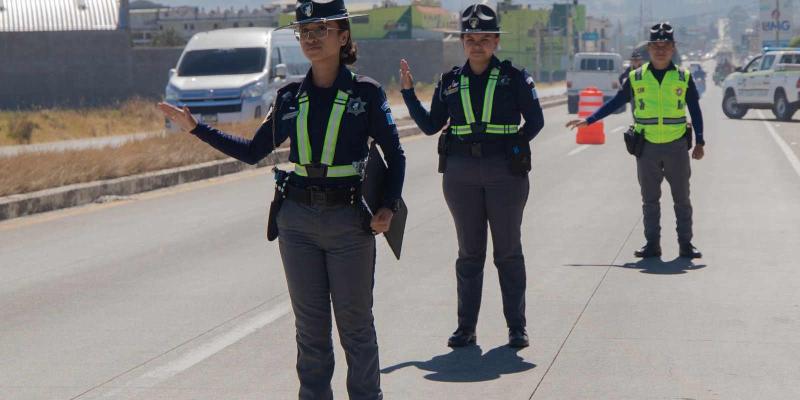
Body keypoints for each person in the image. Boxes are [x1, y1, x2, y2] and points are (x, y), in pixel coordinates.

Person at [158, 1, 405, 398]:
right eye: (303, 31)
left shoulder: (367, 93)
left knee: (355, 325)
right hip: (297, 223)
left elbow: (396, 155)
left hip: (349, 223)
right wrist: (197, 128)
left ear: (343, 37)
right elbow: (253, 151)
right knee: (310, 330)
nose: (310, 38)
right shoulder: (290, 96)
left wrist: (388, 206)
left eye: (320, 30)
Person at [399, 3, 544, 349]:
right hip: (460, 176)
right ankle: (466, 329)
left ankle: (517, 328)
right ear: (462, 41)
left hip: (505, 175)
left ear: (496, 42)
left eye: (484, 38)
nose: (476, 44)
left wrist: (514, 146)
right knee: (469, 254)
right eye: (470, 38)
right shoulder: (449, 82)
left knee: (508, 251)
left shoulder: (514, 78)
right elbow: (431, 125)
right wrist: (407, 92)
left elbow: (535, 121)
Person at [566, 22, 705, 260]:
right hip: (647, 147)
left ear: (673, 48)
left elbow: (695, 109)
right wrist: (589, 120)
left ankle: (686, 244)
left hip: (676, 147)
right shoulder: (636, 77)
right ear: (649, 48)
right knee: (650, 200)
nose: (660, 50)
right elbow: (616, 102)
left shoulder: (683, 77)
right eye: (656, 45)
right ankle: (652, 244)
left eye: (666, 45)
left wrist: (700, 141)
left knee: (682, 198)